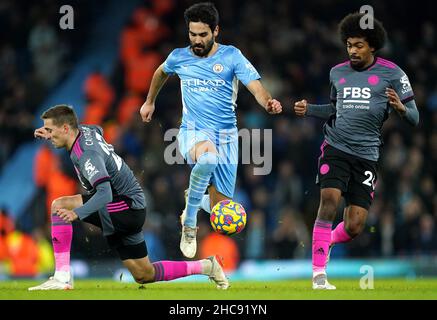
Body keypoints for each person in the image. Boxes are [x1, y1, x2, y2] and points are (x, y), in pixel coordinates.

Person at [28, 105, 229, 290]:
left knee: (58, 205)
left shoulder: (87, 155)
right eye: (46, 130)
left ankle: (62, 275)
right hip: (132, 206)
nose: (48, 135)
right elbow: (97, 129)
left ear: (65, 128)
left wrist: (78, 214)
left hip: (124, 206)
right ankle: (207, 266)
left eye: (50, 131)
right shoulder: (86, 131)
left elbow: (104, 193)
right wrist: (50, 132)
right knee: (143, 274)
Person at [140, 2, 282, 258]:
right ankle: (190, 223)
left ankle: (193, 198)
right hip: (192, 132)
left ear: (216, 31)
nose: (197, 39)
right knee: (207, 156)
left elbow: (256, 87)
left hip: (227, 137)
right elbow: (161, 72)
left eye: (202, 34)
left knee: (221, 211)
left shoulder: (231, 56)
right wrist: (149, 101)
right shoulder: (178, 57)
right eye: (192, 34)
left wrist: (268, 102)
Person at [293, 12, 419, 289]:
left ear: (372, 45)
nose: (352, 50)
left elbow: (415, 117)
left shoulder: (393, 74)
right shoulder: (336, 73)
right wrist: (309, 110)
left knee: (355, 226)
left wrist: (400, 108)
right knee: (329, 200)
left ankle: (327, 242)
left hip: (367, 155)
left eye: (358, 45)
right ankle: (318, 275)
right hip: (335, 146)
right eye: (349, 45)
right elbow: (335, 109)